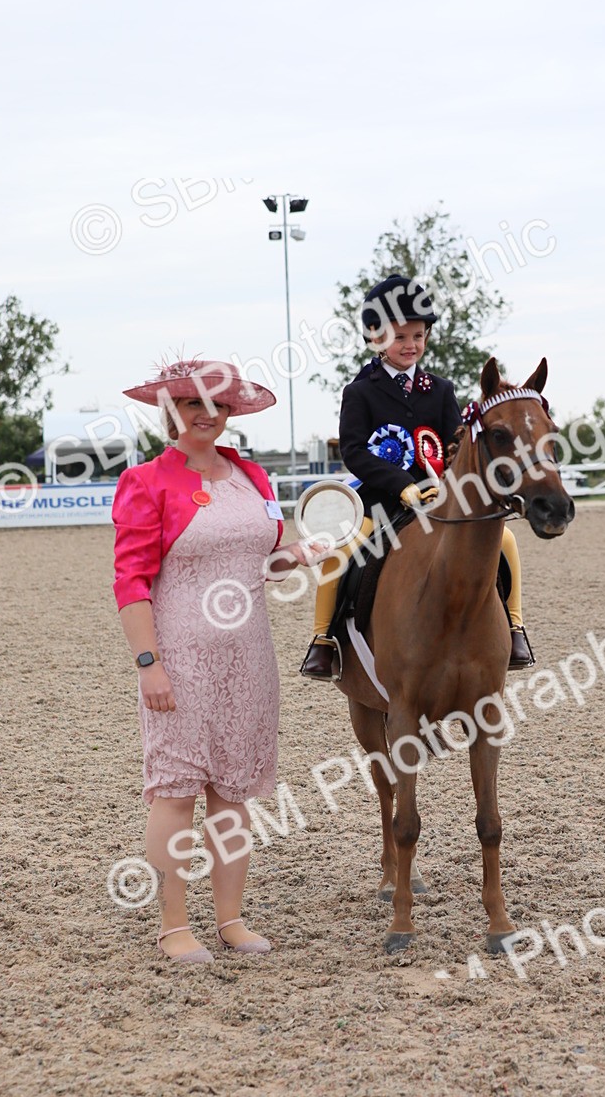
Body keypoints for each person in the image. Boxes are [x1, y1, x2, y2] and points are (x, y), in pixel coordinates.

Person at [113, 358, 324, 965]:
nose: (209, 416)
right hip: (179, 654)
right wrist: (148, 663)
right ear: (171, 412)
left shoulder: (251, 476)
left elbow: (267, 558)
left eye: (221, 406)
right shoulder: (146, 482)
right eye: (194, 405)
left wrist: (300, 555)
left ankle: (231, 918)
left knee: (234, 792)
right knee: (176, 792)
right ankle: (175, 924)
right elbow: (130, 580)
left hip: (249, 655)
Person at [300, 274, 534, 679]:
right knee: (342, 549)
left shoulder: (440, 390)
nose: (411, 345)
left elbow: (454, 444)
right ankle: (324, 639)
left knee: (506, 539)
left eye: (419, 336)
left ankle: (514, 627)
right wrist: (401, 486)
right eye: (400, 336)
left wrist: (450, 482)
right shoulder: (360, 392)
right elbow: (354, 451)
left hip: (439, 496)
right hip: (381, 499)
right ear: (376, 339)